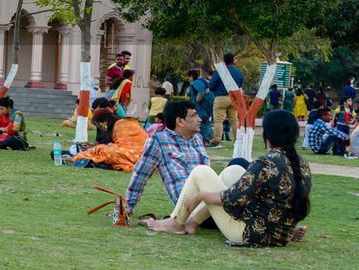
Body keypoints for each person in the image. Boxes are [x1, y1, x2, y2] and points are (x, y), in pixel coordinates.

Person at [147, 109, 310, 246]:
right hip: (280, 236)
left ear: (266, 134)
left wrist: (200, 195)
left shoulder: (266, 163)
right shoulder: (302, 164)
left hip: (250, 234)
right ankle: (192, 222)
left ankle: (176, 222)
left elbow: (233, 199)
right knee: (234, 171)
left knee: (201, 172)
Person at [117, 99, 219, 223]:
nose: (200, 119)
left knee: (238, 165)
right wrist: (128, 207)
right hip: (193, 208)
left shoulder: (197, 138)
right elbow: (141, 175)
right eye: (194, 115)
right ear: (180, 121)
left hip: (213, 200)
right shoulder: (159, 140)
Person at [70, 108, 149, 171]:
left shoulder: (121, 124)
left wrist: (110, 146)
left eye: (99, 124)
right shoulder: (116, 124)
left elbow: (126, 146)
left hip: (139, 154)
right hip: (137, 155)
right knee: (103, 149)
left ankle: (77, 158)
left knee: (104, 150)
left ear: (104, 121)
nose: (100, 127)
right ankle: (81, 157)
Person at [209, 53, 243, 144]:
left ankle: (217, 141)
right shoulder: (239, 73)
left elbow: (211, 86)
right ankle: (238, 140)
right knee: (234, 120)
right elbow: (239, 85)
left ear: (224, 61)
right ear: (233, 61)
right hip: (234, 98)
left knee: (218, 121)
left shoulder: (220, 71)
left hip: (220, 97)